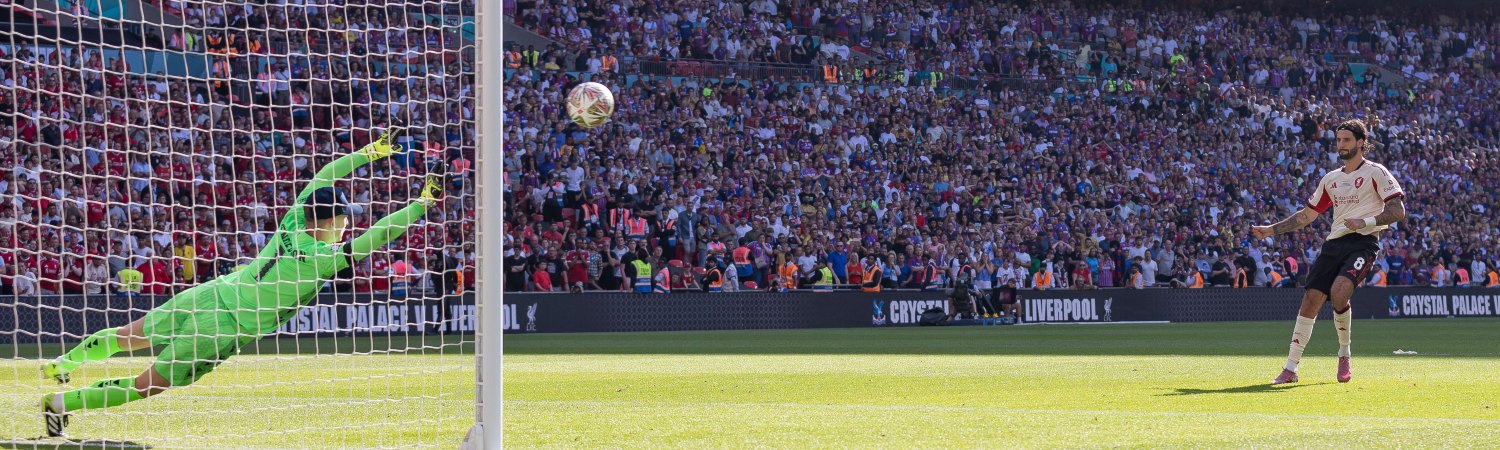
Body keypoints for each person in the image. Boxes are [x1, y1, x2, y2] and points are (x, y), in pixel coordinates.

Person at [39, 131, 445, 437]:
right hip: (223, 327)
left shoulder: (292, 219)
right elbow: (378, 234)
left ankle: (65, 363)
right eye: (342, 222)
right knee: (150, 384)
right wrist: (422, 204)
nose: (347, 227)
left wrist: (369, 152)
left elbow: (324, 174)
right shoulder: (323, 260)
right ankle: (61, 402)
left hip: (211, 293)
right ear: (330, 223)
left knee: (131, 337)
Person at [1252, 119, 1406, 385]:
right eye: (1338, 140)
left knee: (1339, 291)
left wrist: (1365, 222)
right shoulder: (1331, 179)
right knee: (1311, 299)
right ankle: (1290, 368)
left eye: (1346, 140)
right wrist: (1272, 230)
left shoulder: (1376, 172)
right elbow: (1306, 215)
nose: (1341, 145)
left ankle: (1344, 353)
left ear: (1360, 142)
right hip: (1334, 244)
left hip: (1363, 241)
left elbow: (1397, 211)